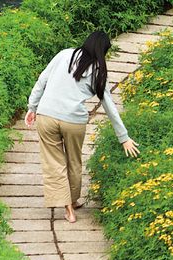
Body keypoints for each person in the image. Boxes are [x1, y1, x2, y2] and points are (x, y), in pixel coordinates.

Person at [25, 31, 140, 223]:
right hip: (73, 121)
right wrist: (124, 137)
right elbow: (108, 104)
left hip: (47, 115)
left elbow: (42, 81)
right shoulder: (98, 69)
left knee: (54, 163)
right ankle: (72, 201)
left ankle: (68, 208)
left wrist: (32, 107)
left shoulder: (63, 55)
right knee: (74, 161)